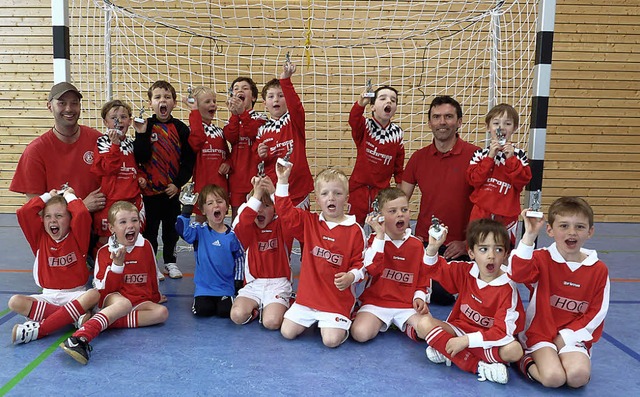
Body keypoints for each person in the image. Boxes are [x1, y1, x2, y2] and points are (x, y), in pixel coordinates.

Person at [509, 197, 610, 388]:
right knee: (553, 378)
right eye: (563, 226)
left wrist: (567, 337)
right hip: (539, 333)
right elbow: (517, 273)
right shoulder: (541, 258)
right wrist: (529, 235)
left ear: (590, 232)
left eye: (580, 227)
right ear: (550, 230)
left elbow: (597, 312)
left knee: (577, 377)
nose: (572, 232)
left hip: (573, 336)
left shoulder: (598, 269)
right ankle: (522, 357)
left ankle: (563, 358)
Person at [417, 218, 525, 385]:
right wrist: (432, 248)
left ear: (505, 254)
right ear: (472, 253)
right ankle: (479, 366)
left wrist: (466, 341)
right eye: (483, 249)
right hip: (459, 330)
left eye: (498, 249)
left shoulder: (508, 287)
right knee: (423, 323)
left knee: (514, 351)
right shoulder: (466, 271)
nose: (491, 256)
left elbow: (502, 333)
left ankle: (451, 353)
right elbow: (434, 270)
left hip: (488, 340)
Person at [60, 201, 168, 365]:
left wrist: (155, 295)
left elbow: (152, 274)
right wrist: (117, 265)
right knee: (123, 303)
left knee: (162, 313)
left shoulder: (145, 246)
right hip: (114, 298)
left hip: (138, 301)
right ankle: (80, 338)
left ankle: (102, 321)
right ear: (112, 228)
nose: (130, 225)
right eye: (123, 222)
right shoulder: (105, 252)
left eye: (134, 220)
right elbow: (103, 291)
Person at [275, 165, 366, 348]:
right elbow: (285, 212)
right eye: (325, 194)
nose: (331, 197)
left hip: (335, 302)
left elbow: (362, 264)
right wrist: (283, 181)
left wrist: (351, 277)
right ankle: (310, 315)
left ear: (347, 199)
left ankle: (345, 318)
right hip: (308, 300)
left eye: (337, 193)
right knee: (287, 332)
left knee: (330, 341)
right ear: (317, 200)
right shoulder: (309, 222)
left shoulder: (356, 230)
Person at [401, 95, 480, 305]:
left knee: (441, 294)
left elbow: (487, 207)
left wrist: (467, 244)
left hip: (458, 247)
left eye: (448, 116)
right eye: (436, 117)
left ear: (459, 122)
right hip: (425, 243)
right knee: (395, 279)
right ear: (429, 123)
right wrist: (408, 237)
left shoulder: (476, 156)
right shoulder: (418, 158)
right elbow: (400, 200)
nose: (442, 122)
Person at [10, 187, 100, 344]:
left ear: (70, 219)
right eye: (48, 216)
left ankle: (40, 329)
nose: (53, 220)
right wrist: (47, 196)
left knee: (93, 295)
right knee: (15, 302)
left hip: (75, 295)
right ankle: (72, 319)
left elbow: (82, 214)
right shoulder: (39, 239)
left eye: (59, 216)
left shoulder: (78, 236)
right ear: (42, 220)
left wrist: (68, 195)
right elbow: (24, 213)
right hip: (48, 297)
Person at [10, 81, 106, 213]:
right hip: (60, 232)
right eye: (62, 103)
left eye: (74, 103)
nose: (69, 109)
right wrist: (81, 207)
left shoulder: (98, 140)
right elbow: (36, 209)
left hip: (100, 227)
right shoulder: (35, 151)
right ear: (50, 106)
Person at [350, 188, 430, 343]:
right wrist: (380, 236)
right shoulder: (373, 241)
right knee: (360, 333)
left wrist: (419, 296)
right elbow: (371, 269)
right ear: (380, 216)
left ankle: (406, 326)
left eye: (404, 209)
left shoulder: (417, 245)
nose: (400, 214)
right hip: (377, 303)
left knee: (429, 330)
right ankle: (385, 322)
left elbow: (425, 276)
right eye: (392, 211)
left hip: (407, 305)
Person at [133, 80, 195, 280]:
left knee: (171, 230)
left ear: (174, 103)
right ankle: (152, 263)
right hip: (150, 193)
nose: (163, 101)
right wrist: (141, 135)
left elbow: (188, 161)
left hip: (171, 192)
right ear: (151, 103)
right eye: (158, 97)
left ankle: (170, 261)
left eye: (167, 97)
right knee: (150, 231)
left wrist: (177, 184)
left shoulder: (181, 129)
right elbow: (140, 157)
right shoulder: (145, 126)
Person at [230, 175, 299, 329]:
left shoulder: (282, 225)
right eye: (258, 204)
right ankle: (256, 311)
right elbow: (242, 222)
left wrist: (275, 192)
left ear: (274, 209)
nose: (260, 209)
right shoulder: (248, 227)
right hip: (254, 284)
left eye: (266, 205)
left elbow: (289, 215)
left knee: (272, 323)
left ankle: (287, 302)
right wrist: (256, 194)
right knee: (237, 316)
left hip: (278, 284)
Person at [466, 103, 532, 246]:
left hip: (507, 214)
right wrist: (489, 158)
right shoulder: (480, 154)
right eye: (496, 123)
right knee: (477, 247)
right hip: (481, 212)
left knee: (504, 250)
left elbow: (522, 181)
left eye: (507, 123)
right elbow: (473, 180)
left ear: (514, 128)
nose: (501, 127)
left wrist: (510, 159)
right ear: (488, 128)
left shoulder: (519, 155)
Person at [175, 184, 244, 318]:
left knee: (225, 312)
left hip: (225, 287)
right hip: (204, 289)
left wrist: (238, 281)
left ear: (227, 207)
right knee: (203, 311)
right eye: (210, 203)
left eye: (219, 202)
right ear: (203, 210)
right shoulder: (198, 230)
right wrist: (187, 210)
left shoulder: (233, 236)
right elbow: (182, 230)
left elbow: (240, 258)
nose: (216, 206)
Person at [256, 58, 314, 209]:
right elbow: (257, 160)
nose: (276, 99)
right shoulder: (262, 130)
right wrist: (260, 154)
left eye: (281, 95)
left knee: (299, 231)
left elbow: (296, 107)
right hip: (274, 192)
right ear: (265, 103)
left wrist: (286, 80)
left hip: (299, 191)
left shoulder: (294, 120)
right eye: (271, 96)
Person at [91, 99, 147, 249]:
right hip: (110, 200)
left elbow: (136, 166)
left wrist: (141, 177)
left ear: (129, 121)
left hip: (131, 199)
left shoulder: (130, 143)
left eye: (123, 117)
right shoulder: (103, 142)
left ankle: (130, 265)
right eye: (114, 118)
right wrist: (115, 146)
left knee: (132, 236)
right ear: (105, 122)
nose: (119, 121)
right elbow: (108, 169)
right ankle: (102, 266)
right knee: (106, 238)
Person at [347, 86, 404, 225]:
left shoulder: (397, 133)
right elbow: (353, 120)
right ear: (372, 106)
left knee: (380, 230)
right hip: (358, 190)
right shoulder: (365, 126)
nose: (388, 102)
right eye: (383, 98)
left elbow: (399, 162)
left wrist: (399, 185)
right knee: (355, 228)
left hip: (381, 193)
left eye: (393, 100)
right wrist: (361, 103)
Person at [184, 86, 231, 223]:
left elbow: (228, 155)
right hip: (202, 186)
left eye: (214, 101)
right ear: (196, 105)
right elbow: (197, 141)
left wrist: (228, 163)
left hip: (219, 185)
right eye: (207, 102)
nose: (213, 104)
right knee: (201, 224)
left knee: (218, 222)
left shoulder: (219, 132)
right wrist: (194, 113)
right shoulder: (191, 130)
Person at [224, 76, 267, 220]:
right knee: (238, 219)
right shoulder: (232, 119)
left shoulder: (262, 118)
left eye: (244, 88)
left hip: (256, 178)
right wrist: (235, 115)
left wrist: (242, 113)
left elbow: (254, 132)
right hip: (237, 179)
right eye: (236, 89)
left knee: (258, 216)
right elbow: (231, 137)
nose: (239, 90)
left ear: (253, 97)